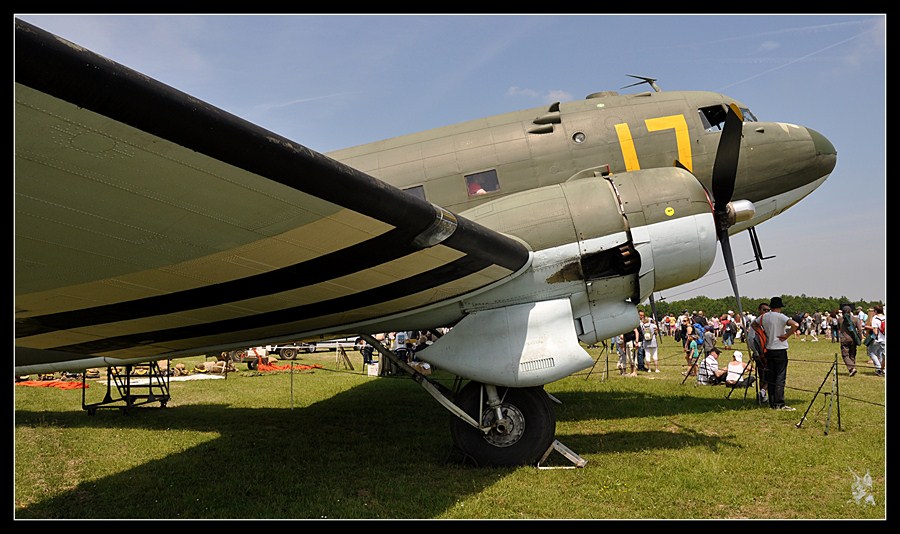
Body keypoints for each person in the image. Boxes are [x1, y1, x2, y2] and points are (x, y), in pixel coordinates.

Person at [751, 296, 799, 410]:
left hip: (769, 349)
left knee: (770, 377)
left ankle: (772, 402)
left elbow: (754, 325)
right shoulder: (781, 316)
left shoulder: (763, 317)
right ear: (780, 307)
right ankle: (779, 403)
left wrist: (763, 333)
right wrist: (787, 335)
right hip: (780, 349)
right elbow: (795, 325)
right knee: (780, 377)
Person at [838, 304, 863, 376]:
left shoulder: (840, 319)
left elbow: (839, 328)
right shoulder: (855, 319)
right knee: (852, 354)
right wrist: (860, 338)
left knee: (845, 355)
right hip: (853, 339)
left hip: (844, 339)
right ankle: (852, 368)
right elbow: (860, 330)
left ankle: (851, 368)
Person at [864, 304, 885, 377]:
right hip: (885, 339)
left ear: (875, 311)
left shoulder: (875, 318)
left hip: (878, 339)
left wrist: (868, 327)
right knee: (882, 354)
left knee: (872, 353)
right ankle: (883, 369)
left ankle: (879, 368)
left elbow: (875, 332)